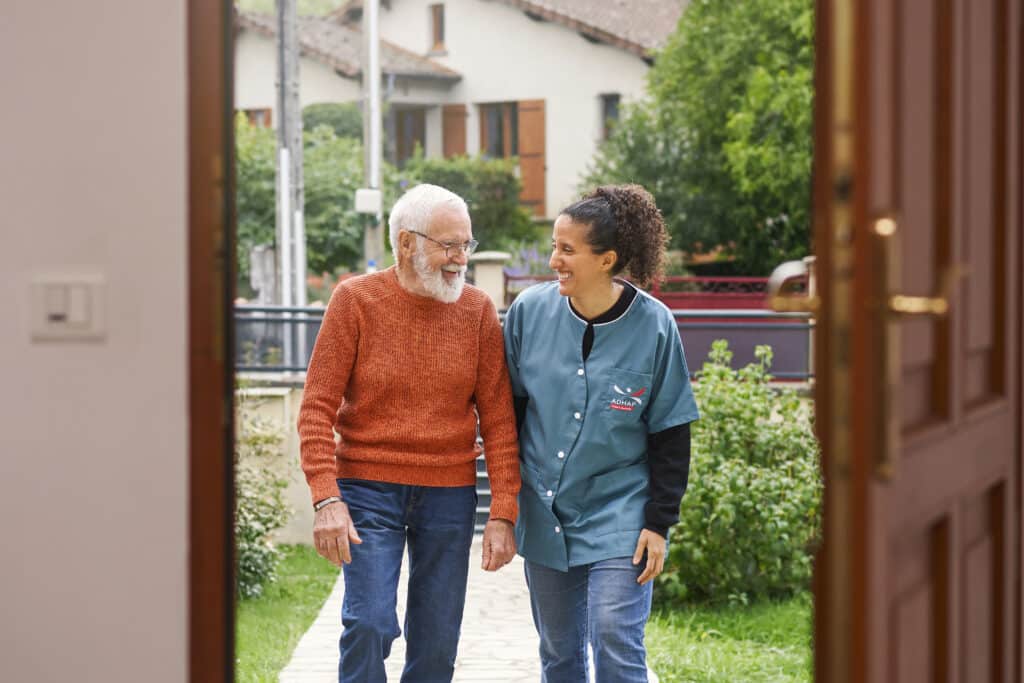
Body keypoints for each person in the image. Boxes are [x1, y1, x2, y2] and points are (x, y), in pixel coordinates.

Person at [297, 183, 521, 682]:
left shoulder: (478, 310)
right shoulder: (354, 300)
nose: (460, 258)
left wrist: (504, 511)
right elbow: (315, 409)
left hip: (449, 491)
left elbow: (500, 419)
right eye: (448, 245)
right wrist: (325, 498)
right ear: (405, 243)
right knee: (369, 623)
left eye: (466, 244)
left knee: (437, 642)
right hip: (367, 487)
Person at [503, 184, 699, 682]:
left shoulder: (656, 326)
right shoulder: (528, 313)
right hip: (546, 509)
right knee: (560, 653)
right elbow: (508, 415)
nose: (554, 260)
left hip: (622, 508)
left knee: (614, 634)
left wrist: (659, 523)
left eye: (567, 250)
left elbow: (671, 433)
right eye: (553, 246)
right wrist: (506, 509)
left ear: (606, 258)